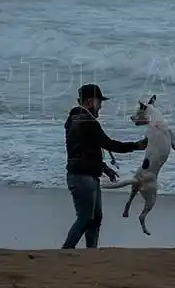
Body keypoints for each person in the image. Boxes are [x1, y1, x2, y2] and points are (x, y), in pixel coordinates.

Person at [62, 83, 147, 249]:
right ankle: (66, 251)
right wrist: (136, 146)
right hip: (83, 177)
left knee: (95, 217)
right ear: (89, 101)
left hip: (84, 175)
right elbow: (109, 144)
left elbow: (83, 149)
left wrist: (103, 167)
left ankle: (90, 251)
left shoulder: (75, 119)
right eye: (99, 101)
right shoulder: (87, 121)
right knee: (86, 218)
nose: (100, 106)